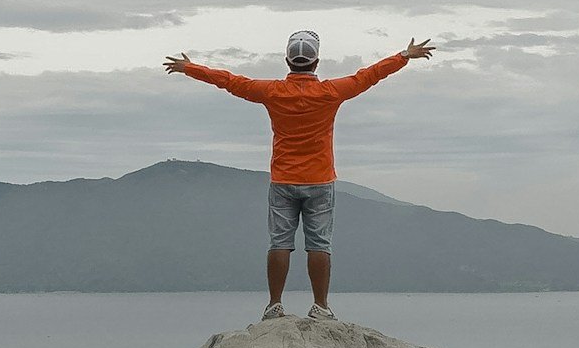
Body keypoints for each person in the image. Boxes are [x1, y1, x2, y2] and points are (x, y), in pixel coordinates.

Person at [164, 31, 436, 321]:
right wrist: (404, 56)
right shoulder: (330, 92)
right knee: (319, 244)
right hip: (320, 180)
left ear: (287, 61)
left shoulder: (272, 92)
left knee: (280, 242)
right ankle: (320, 306)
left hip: (283, 179)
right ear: (316, 62)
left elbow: (231, 82)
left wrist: (190, 69)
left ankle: (274, 305)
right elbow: (367, 77)